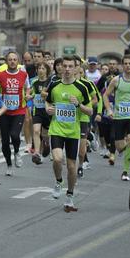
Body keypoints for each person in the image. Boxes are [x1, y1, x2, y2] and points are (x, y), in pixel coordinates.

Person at [44, 56, 92, 212]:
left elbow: (90, 111)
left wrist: (79, 105)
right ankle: (58, 182)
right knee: (57, 159)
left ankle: (70, 195)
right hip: (57, 128)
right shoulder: (55, 85)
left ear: (76, 69)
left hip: (73, 132)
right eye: (64, 66)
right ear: (60, 67)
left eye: (70, 66)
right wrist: (48, 108)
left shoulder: (82, 88)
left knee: (72, 167)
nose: (67, 69)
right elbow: (48, 100)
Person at [0, 51, 31, 175]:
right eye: (10, 59)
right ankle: (9, 165)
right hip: (5, 111)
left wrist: (27, 94)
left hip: (19, 110)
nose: (12, 61)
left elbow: (28, 87)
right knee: (5, 141)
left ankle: (16, 151)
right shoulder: (0, 75)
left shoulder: (23, 75)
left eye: (15, 59)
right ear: (6, 61)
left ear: (18, 61)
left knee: (15, 135)